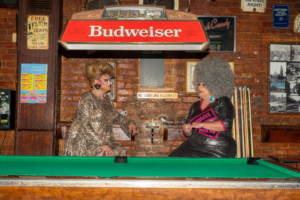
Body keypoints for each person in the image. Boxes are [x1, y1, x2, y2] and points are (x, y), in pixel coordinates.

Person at [62, 60, 138, 157]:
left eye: (110, 80)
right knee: (112, 153)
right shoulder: (87, 98)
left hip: (103, 143)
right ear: (96, 82)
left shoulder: (107, 100)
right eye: (106, 80)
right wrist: (101, 143)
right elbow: (84, 125)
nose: (110, 83)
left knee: (120, 151)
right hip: (85, 145)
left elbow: (117, 117)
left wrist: (129, 122)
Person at [168, 57, 236, 158]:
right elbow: (189, 133)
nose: (199, 87)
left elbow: (226, 124)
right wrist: (187, 131)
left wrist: (201, 124)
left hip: (218, 147)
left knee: (205, 172)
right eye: (198, 84)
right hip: (194, 145)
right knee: (171, 160)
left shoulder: (222, 101)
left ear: (214, 85)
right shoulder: (195, 106)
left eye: (204, 85)